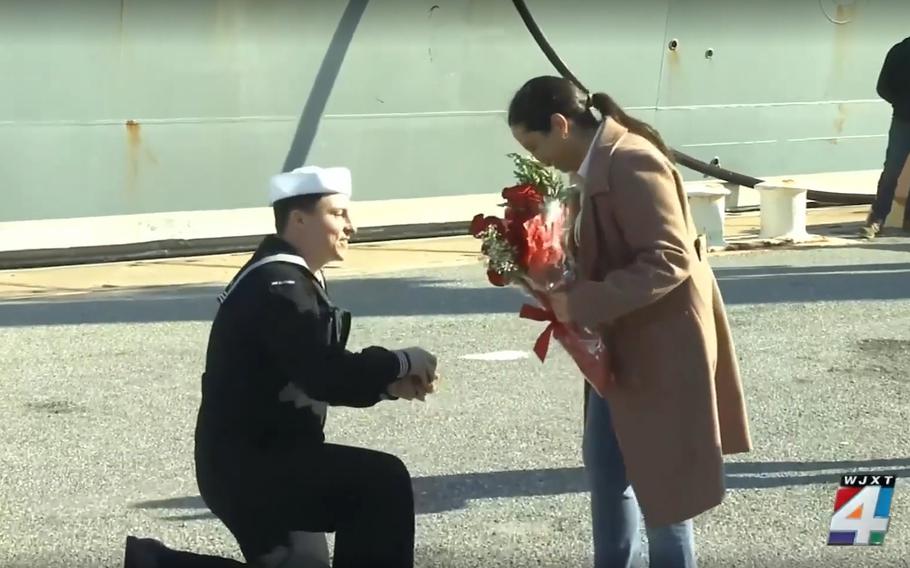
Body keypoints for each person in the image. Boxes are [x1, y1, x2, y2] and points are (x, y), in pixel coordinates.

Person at [124, 166, 440, 568]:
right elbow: (325, 374)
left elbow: (305, 371)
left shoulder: (286, 277)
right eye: (338, 214)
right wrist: (399, 361)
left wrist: (387, 387)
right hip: (254, 465)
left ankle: (155, 564)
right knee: (382, 483)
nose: (352, 226)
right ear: (300, 219)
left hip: (257, 459)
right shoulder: (280, 285)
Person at [506, 76, 753, 568]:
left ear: (560, 125)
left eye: (535, 146)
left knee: (664, 494)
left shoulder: (632, 158)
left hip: (659, 350)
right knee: (607, 474)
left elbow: (669, 258)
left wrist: (581, 303)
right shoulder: (595, 163)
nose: (538, 160)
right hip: (620, 350)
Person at [861, 35, 910, 238]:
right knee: (892, 170)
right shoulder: (900, 52)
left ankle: (895, 220)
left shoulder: (898, 50)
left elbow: (883, 88)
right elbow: (883, 86)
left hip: (901, 118)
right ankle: (877, 219)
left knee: (892, 171)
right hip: (903, 121)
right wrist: (902, 104)